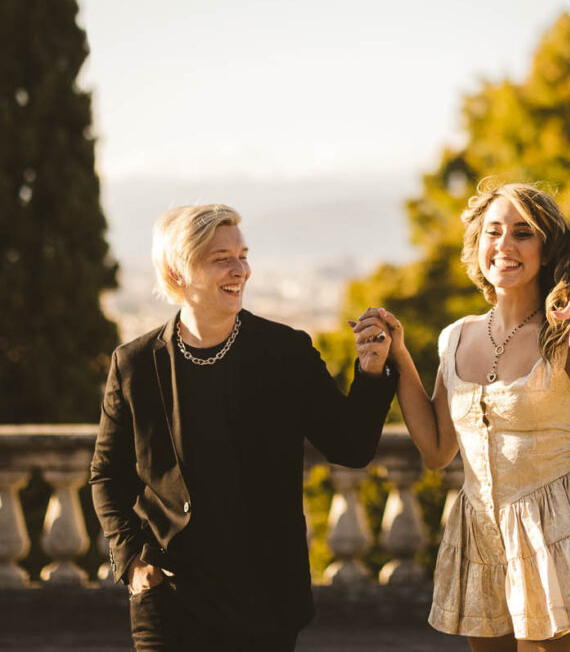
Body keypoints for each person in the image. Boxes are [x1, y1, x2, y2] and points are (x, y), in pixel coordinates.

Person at [364, 181, 570, 651]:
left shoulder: (566, 329)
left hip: (559, 538)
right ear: (478, 245)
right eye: (494, 232)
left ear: (547, 248)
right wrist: (400, 356)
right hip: (482, 542)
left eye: (523, 233)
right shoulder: (456, 337)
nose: (505, 245)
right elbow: (435, 449)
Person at [89, 203, 398, 652]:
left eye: (243, 254)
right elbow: (106, 475)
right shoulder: (134, 363)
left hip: (264, 601)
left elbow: (351, 446)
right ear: (178, 272)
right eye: (222, 259)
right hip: (169, 600)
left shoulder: (286, 353)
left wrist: (371, 375)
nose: (241, 270)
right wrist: (133, 563)